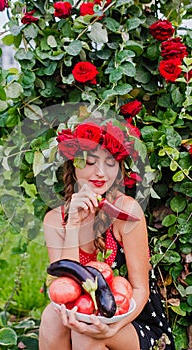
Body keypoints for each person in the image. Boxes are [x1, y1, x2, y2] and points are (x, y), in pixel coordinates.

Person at [38, 121, 175, 350]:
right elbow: (67, 289)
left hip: (132, 320)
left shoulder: (126, 212)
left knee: (89, 333)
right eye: (91, 162)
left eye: (111, 164)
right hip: (83, 311)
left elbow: (140, 289)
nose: (101, 173)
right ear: (74, 164)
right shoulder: (54, 220)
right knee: (52, 318)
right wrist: (73, 224)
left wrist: (111, 327)